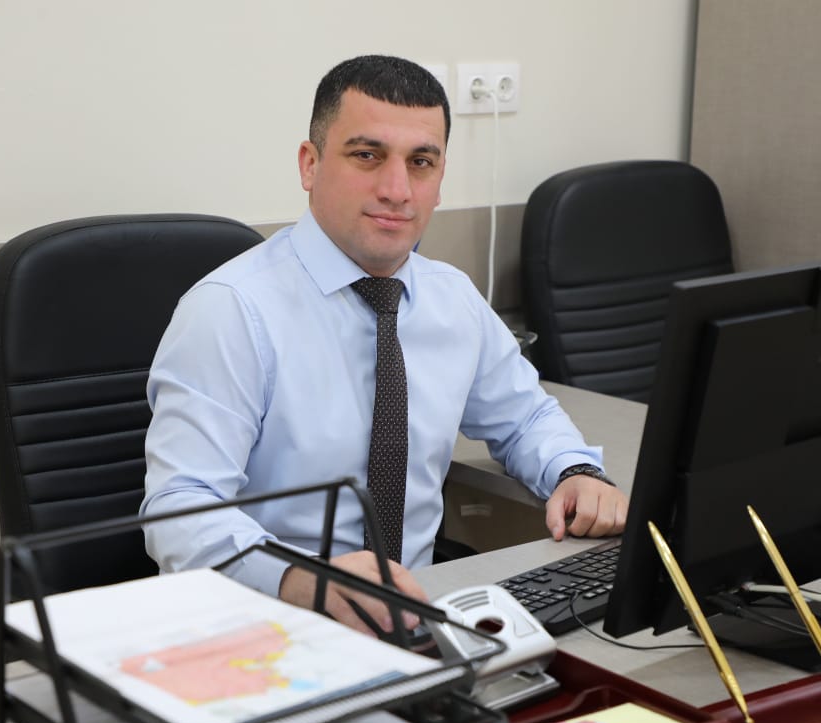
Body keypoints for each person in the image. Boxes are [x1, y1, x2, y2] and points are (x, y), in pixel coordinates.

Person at [142, 55, 628, 634]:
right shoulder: (232, 310)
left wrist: (574, 471)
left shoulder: (451, 298)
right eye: (367, 155)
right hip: (266, 623)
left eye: (421, 162)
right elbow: (180, 509)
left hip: (418, 615)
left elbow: (525, 418)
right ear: (310, 164)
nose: (397, 190)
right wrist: (305, 579)